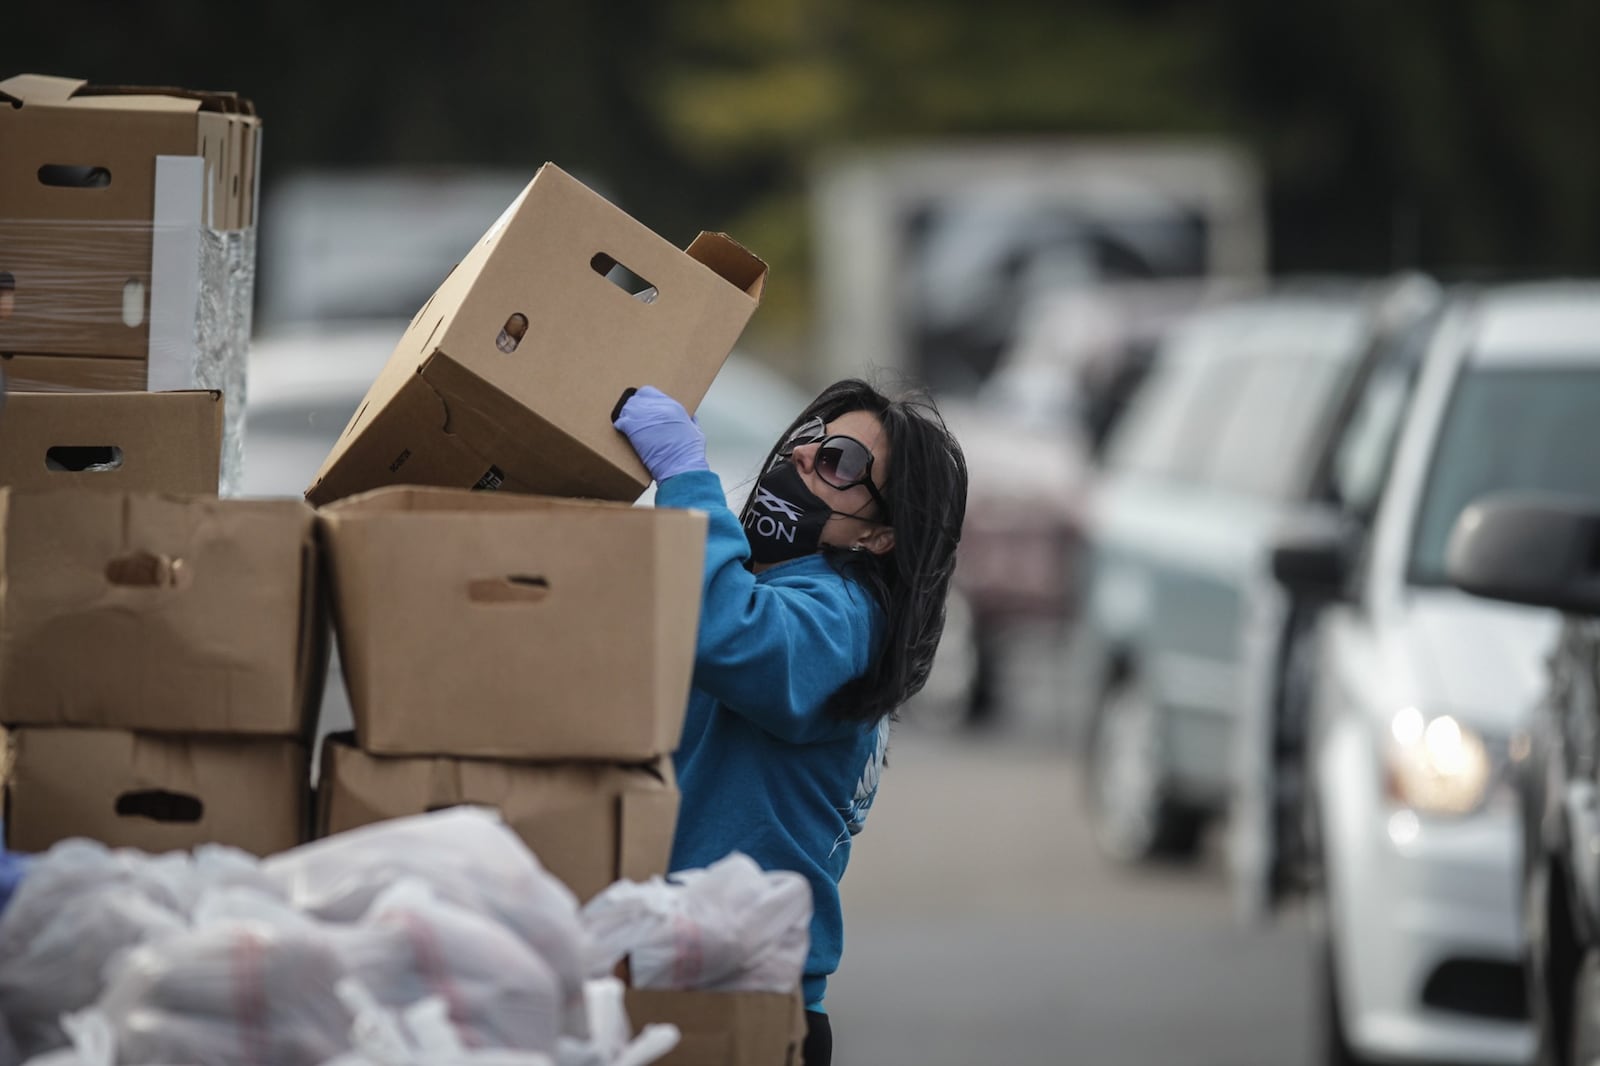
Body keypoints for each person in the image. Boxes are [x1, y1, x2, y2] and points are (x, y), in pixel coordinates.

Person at [614, 378, 967, 1066]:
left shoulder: (845, 618)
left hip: (738, 1006)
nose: (805, 457)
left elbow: (734, 637)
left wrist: (687, 479)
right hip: (683, 981)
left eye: (841, 463)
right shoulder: (778, 591)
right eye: (812, 439)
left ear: (879, 534)